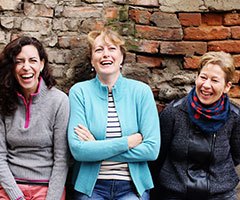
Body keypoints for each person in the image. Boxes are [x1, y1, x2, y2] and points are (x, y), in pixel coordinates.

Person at [67, 27, 160, 200]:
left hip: (132, 187)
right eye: (99, 50)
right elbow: (79, 151)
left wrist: (97, 147)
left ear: (121, 57)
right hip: (91, 187)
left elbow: (151, 150)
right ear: (92, 60)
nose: (105, 54)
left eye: (112, 48)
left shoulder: (141, 92)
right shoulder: (79, 92)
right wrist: (127, 142)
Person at [154, 51, 240, 200]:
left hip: (220, 196)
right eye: (203, 77)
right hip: (174, 195)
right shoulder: (174, 113)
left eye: (214, 80)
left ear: (227, 86)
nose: (206, 85)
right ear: (196, 78)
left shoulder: (234, 117)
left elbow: (236, 156)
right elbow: (158, 157)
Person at [0, 36, 69, 200]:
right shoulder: (3, 100)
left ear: (42, 64)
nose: (26, 67)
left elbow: (62, 159)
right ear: (12, 67)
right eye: (19, 61)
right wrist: (16, 196)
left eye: (32, 60)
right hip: (10, 188)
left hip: (47, 189)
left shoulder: (59, 101)